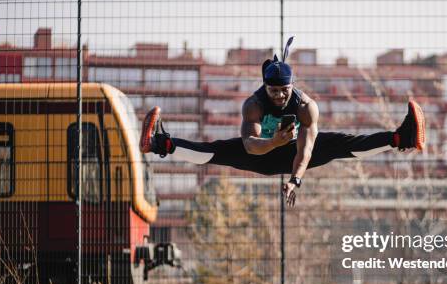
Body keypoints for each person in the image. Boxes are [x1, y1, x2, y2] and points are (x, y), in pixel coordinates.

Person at [140, 37, 425, 207]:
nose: (278, 95)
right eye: (272, 90)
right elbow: (250, 146)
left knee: (342, 144)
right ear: (264, 86)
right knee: (216, 150)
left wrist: (295, 180)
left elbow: (306, 150)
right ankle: (159, 144)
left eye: (283, 90)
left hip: (294, 154)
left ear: (293, 86)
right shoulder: (252, 104)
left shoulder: (305, 106)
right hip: (261, 156)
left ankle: (402, 138)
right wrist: (274, 140)